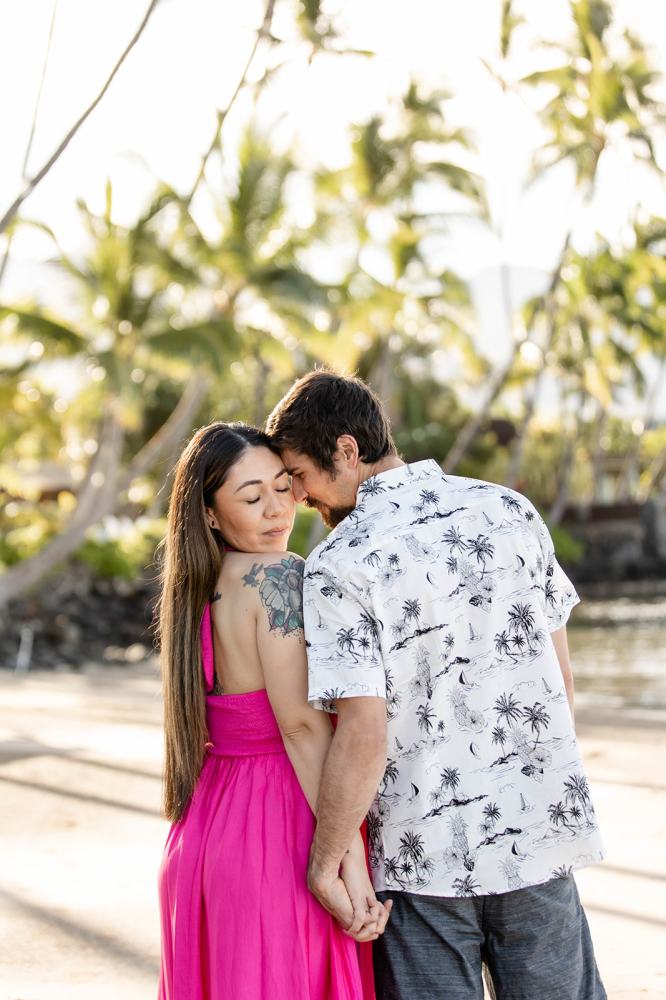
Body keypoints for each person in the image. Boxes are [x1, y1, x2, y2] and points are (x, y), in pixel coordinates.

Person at [266, 370, 607, 1000]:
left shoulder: (340, 564)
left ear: (346, 450)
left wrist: (325, 861)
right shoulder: (510, 510)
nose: (301, 495)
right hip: (536, 834)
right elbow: (559, 678)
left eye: (301, 474)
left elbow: (364, 731)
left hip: (421, 858)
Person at [156, 421, 389, 1000]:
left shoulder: (196, 588)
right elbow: (302, 727)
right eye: (251, 497)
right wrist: (348, 862)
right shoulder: (278, 575)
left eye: (283, 487)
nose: (277, 508)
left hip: (207, 825)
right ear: (211, 515)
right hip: (278, 825)